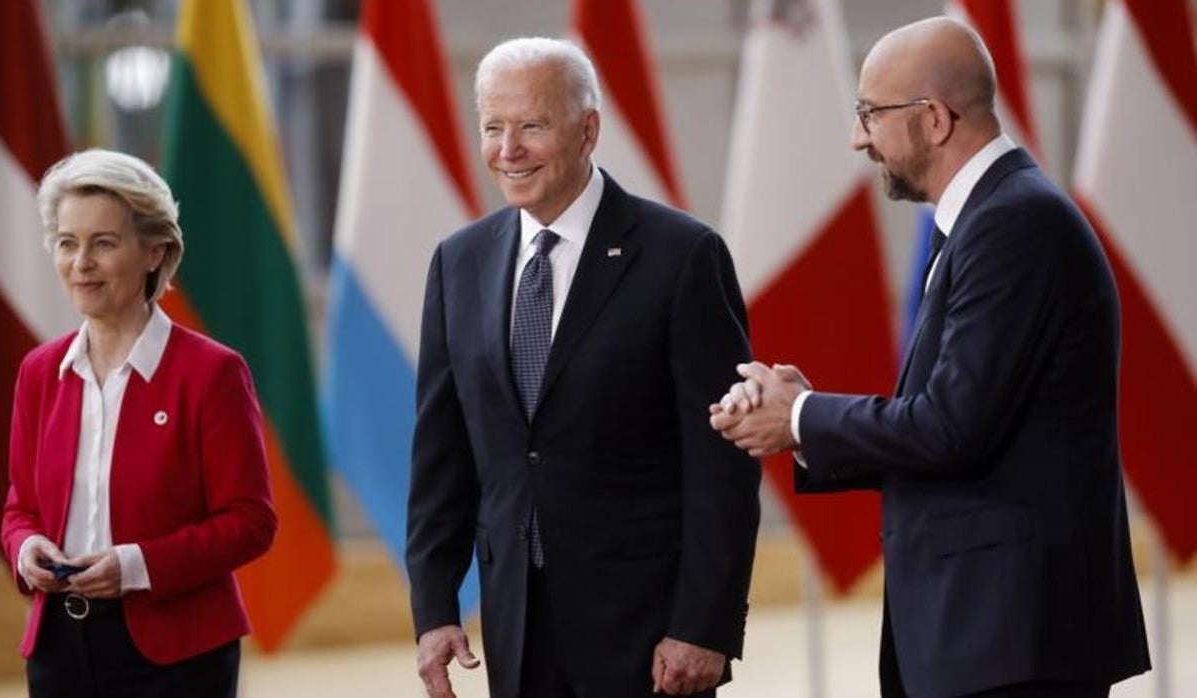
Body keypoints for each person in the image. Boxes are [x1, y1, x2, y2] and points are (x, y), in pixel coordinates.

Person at [710, 17, 1150, 698]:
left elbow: (952, 428)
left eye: (870, 115)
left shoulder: (1012, 225)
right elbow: (959, 421)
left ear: (935, 120)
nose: (859, 138)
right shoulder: (993, 218)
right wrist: (803, 418)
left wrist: (802, 418)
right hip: (991, 637)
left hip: (1011, 642)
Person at [406, 37, 760, 698]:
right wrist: (434, 610)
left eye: (532, 126)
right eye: (492, 127)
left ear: (587, 130)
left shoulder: (682, 257)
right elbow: (441, 453)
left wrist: (704, 626)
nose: (507, 150)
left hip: (650, 638)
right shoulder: (459, 263)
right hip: (515, 626)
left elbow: (723, 465)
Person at [0, 149, 277, 697]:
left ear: (154, 253)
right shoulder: (39, 371)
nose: (81, 263)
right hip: (58, 649)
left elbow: (251, 521)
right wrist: (25, 546)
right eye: (67, 243)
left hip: (178, 656)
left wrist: (134, 565)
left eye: (103, 243)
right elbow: (20, 505)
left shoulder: (212, 372)